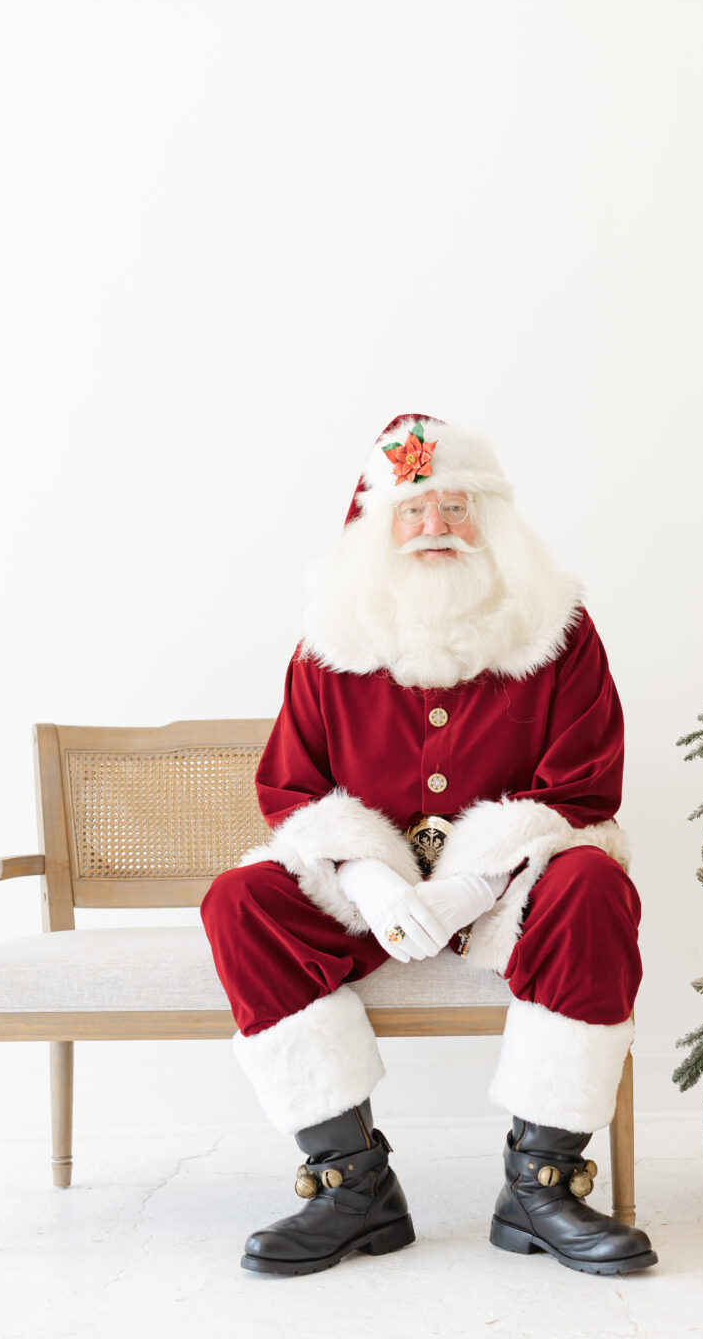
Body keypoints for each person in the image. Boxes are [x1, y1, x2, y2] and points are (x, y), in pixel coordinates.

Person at [200, 414, 656, 1278]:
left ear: (491, 519)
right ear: (380, 526)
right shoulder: (328, 641)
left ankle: (542, 1187)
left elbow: (583, 784)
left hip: (513, 893)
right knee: (241, 900)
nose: (434, 526)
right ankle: (351, 1187)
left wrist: (471, 886)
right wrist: (370, 878)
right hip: (364, 904)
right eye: (412, 509)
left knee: (594, 883)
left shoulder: (557, 630)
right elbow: (293, 789)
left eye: (455, 505)